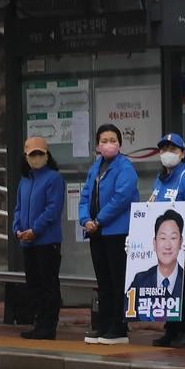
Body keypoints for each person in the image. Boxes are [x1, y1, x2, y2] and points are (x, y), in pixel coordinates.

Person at [78, 124, 140, 345]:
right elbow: (85, 195)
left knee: (118, 280)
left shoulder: (125, 168)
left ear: (120, 144)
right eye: (104, 140)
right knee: (103, 280)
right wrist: (85, 219)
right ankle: (103, 325)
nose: (108, 144)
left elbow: (121, 198)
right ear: (97, 145)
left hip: (117, 232)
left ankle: (119, 327)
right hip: (97, 233)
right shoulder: (96, 167)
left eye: (113, 140)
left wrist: (98, 220)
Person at [148, 133, 185, 348]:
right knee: (166, 287)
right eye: (164, 149)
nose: (168, 154)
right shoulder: (159, 180)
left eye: (173, 149)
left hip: (183, 243)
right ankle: (171, 330)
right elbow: (151, 208)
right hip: (165, 244)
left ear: (182, 153)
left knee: (184, 288)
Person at [13, 136, 65, 340]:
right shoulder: (24, 180)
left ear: (47, 155)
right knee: (33, 283)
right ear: (25, 156)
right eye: (32, 154)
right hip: (28, 241)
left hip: (47, 241)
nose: (36, 158)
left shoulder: (54, 178)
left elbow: (52, 209)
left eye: (39, 154)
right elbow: (18, 207)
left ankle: (48, 325)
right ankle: (39, 323)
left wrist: (35, 229)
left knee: (48, 284)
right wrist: (17, 228)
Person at [130, 210, 185, 302]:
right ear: (154, 243)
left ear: (180, 242)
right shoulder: (140, 280)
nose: (167, 246)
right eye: (163, 238)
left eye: (173, 238)